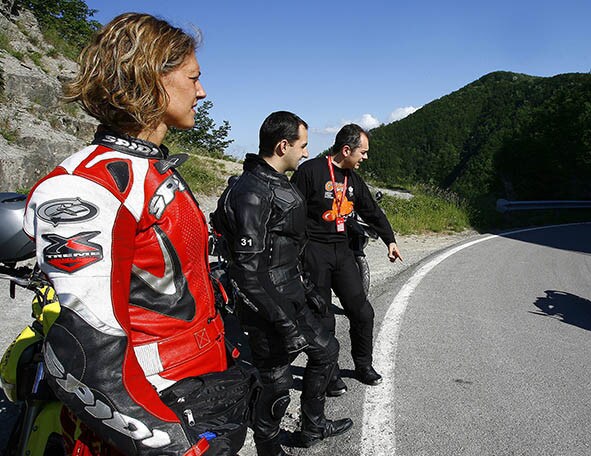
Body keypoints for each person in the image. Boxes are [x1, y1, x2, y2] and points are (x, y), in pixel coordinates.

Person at [22, 13, 258, 455]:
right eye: (193, 77)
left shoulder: (150, 168)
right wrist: (168, 443)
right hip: (157, 404)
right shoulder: (85, 188)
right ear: (151, 77)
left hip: (201, 385)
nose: (202, 91)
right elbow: (85, 352)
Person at [211, 111, 353, 455]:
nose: (305, 153)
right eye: (302, 146)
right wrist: (282, 321)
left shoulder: (275, 181)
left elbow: (288, 248)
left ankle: (312, 426)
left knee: (327, 351)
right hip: (264, 302)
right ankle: (268, 444)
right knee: (276, 381)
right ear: (283, 145)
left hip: (291, 290)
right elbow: (247, 269)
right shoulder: (251, 191)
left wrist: (306, 290)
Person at [291, 123, 402, 395]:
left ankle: (363, 365)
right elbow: (291, 210)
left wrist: (390, 239)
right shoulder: (311, 171)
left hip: (342, 251)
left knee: (362, 311)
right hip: (314, 251)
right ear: (346, 149)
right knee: (323, 317)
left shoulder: (353, 178)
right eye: (362, 152)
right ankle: (328, 375)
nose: (365, 157)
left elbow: (372, 211)